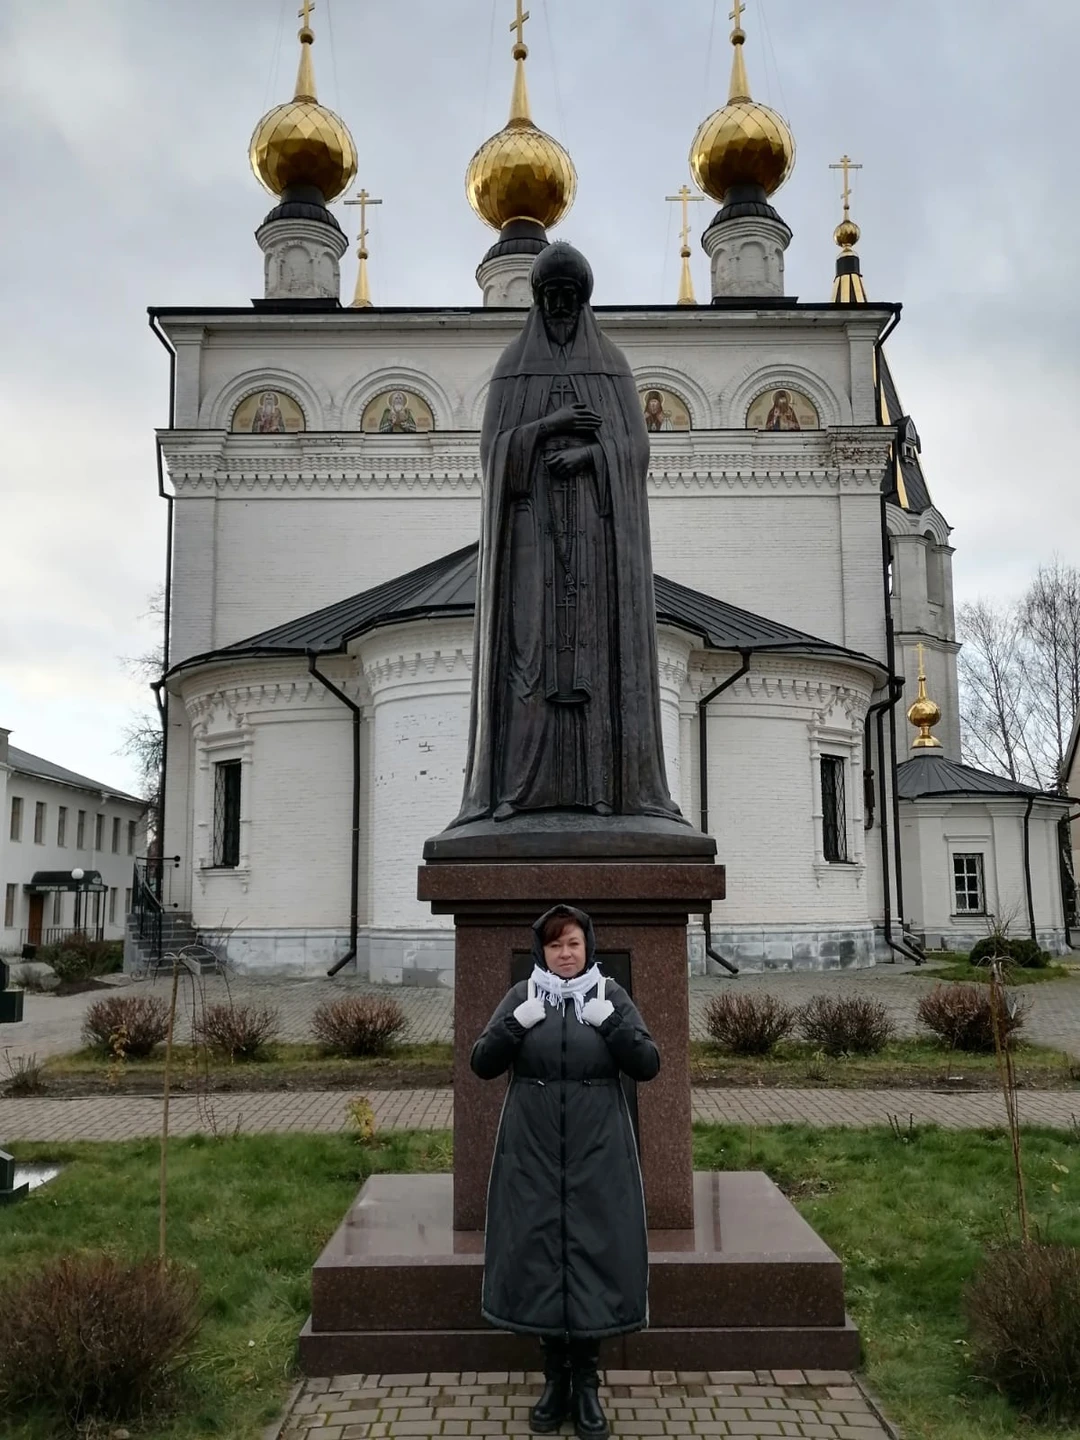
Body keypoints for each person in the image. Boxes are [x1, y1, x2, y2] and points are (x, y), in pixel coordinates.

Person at [452, 242, 682, 826]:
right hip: (532, 539)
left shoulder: (612, 367)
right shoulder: (513, 366)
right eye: (550, 296)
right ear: (536, 301)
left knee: (596, 662)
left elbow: (634, 448)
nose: (559, 306)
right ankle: (516, 789)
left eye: (568, 297)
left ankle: (604, 791)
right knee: (527, 660)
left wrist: (588, 457)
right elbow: (491, 456)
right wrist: (549, 427)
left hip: (594, 541)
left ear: (582, 302)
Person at [471, 904, 660, 1440]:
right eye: (555, 946)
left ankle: (589, 1385)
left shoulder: (608, 996)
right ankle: (554, 1380)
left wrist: (614, 1025)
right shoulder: (523, 997)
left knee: (591, 1252)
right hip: (530, 1151)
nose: (565, 954)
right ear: (542, 951)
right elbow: (483, 1062)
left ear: (588, 946)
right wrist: (515, 1024)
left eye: (573, 943)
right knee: (542, 1254)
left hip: (597, 1149)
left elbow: (647, 1063)